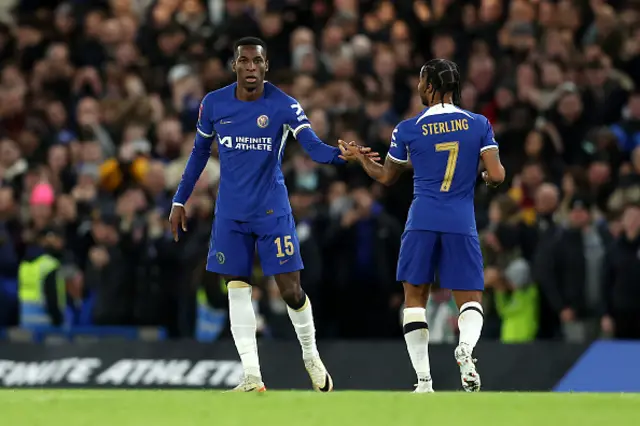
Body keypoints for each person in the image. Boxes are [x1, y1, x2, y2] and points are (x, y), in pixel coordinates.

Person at [168, 37, 377, 392]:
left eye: (257, 62)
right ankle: (251, 375)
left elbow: (311, 145)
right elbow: (199, 154)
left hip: (271, 211)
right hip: (231, 214)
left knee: (291, 291)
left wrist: (341, 155)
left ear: (266, 66)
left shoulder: (284, 105)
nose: (251, 68)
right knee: (237, 288)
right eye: (244, 61)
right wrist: (179, 199)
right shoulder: (214, 104)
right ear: (234, 66)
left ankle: (310, 355)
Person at [339, 58, 505, 393]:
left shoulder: (408, 128)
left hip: (422, 219)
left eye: (420, 81)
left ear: (429, 86)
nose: (418, 87)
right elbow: (497, 175)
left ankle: (424, 381)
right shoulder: (478, 123)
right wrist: (486, 177)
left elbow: (386, 177)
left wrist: (360, 159)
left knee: (415, 298)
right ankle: (467, 349)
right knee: (470, 298)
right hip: (461, 219)